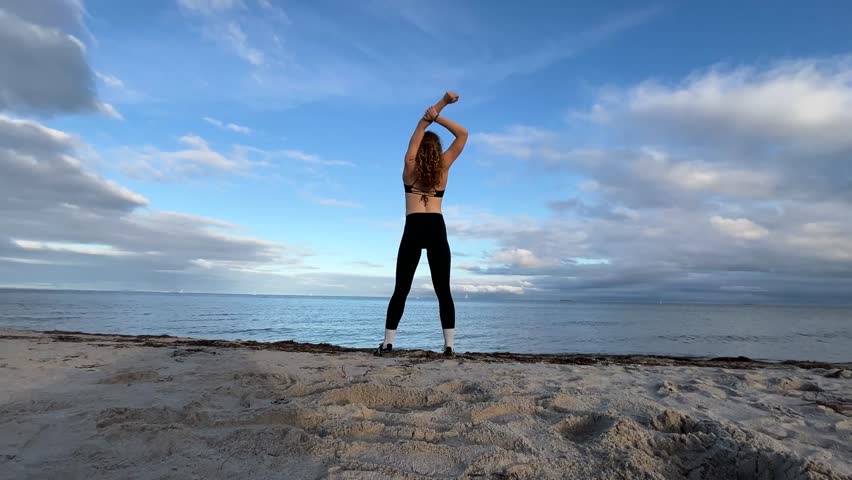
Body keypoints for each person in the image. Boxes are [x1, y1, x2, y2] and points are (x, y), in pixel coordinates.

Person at [375, 91, 468, 357]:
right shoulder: (443, 168)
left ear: (417, 149)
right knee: (443, 291)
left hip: (414, 227)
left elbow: (419, 126)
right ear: (437, 151)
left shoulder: (409, 168)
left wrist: (436, 108)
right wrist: (440, 115)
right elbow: (463, 135)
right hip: (437, 227)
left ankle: (388, 342)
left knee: (401, 289)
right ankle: (449, 347)